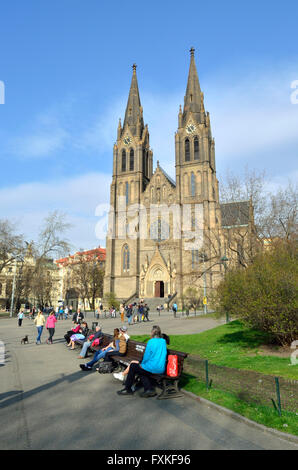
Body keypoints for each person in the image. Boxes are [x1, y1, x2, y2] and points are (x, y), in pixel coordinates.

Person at [116, 325, 167, 397]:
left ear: (152, 333)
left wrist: (141, 363)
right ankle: (148, 389)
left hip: (153, 367)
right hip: (161, 368)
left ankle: (128, 389)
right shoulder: (163, 341)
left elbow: (146, 357)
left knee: (133, 366)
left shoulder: (151, 342)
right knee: (140, 370)